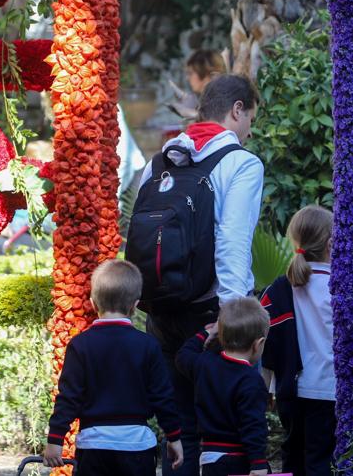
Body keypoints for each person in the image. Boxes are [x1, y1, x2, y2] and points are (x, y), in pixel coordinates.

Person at [135, 73, 265, 476]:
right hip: (210, 316)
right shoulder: (240, 164)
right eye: (250, 121)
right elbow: (232, 242)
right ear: (237, 110)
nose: (248, 133)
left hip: (159, 313)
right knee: (226, 434)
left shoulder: (158, 163)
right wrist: (230, 317)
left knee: (177, 433)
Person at [43, 260, 185, 475]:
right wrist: (174, 436)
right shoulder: (147, 345)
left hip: (93, 446)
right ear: (135, 305)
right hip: (137, 446)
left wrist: (55, 438)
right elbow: (162, 397)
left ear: (92, 303)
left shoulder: (80, 345)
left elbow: (69, 396)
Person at [260, 206, 336, 476]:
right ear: (331, 244)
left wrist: (266, 387)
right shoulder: (340, 289)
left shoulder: (278, 289)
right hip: (330, 391)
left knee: (292, 458)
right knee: (321, 461)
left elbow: (263, 340)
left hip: (290, 392)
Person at [176, 298, 271, 476]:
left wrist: (206, 332)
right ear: (258, 344)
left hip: (210, 457)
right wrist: (258, 462)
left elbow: (183, 355)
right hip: (238, 459)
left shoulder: (204, 364)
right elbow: (253, 424)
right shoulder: (251, 379)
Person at [169, 49, 228, 120]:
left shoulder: (224, 99)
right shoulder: (203, 100)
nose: (187, 78)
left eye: (190, 73)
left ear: (207, 73)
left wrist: (196, 115)